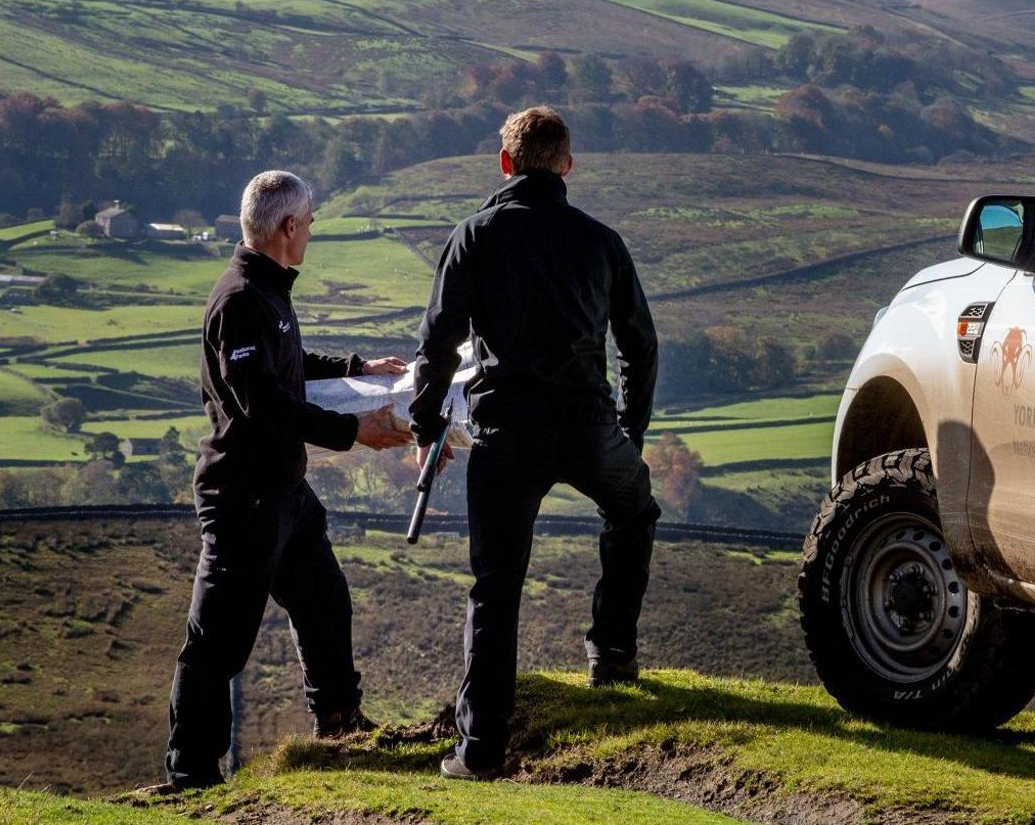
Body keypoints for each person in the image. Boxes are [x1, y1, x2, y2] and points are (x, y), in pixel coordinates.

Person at [408, 106, 659, 781]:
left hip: (507, 434)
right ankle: (611, 654)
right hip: (587, 428)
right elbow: (640, 344)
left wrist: (427, 420)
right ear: (567, 167)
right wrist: (630, 432)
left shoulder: (475, 236)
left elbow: (437, 344)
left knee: (496, 587)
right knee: (635, 511)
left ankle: (480, 751)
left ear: (505, 163)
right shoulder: (601, 242)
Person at [156, 170, 413, 793]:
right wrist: (354, 431)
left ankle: (340, 723)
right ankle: (191, 773)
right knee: (216, 642)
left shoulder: (268, 290)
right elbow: (264, 404)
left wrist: (355, 367)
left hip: (285, 494)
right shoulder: (241, 299)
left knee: (324, 601)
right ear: (288, 227)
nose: (313, 230)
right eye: (311, 220)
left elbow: (287, 364)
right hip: (243, 498)